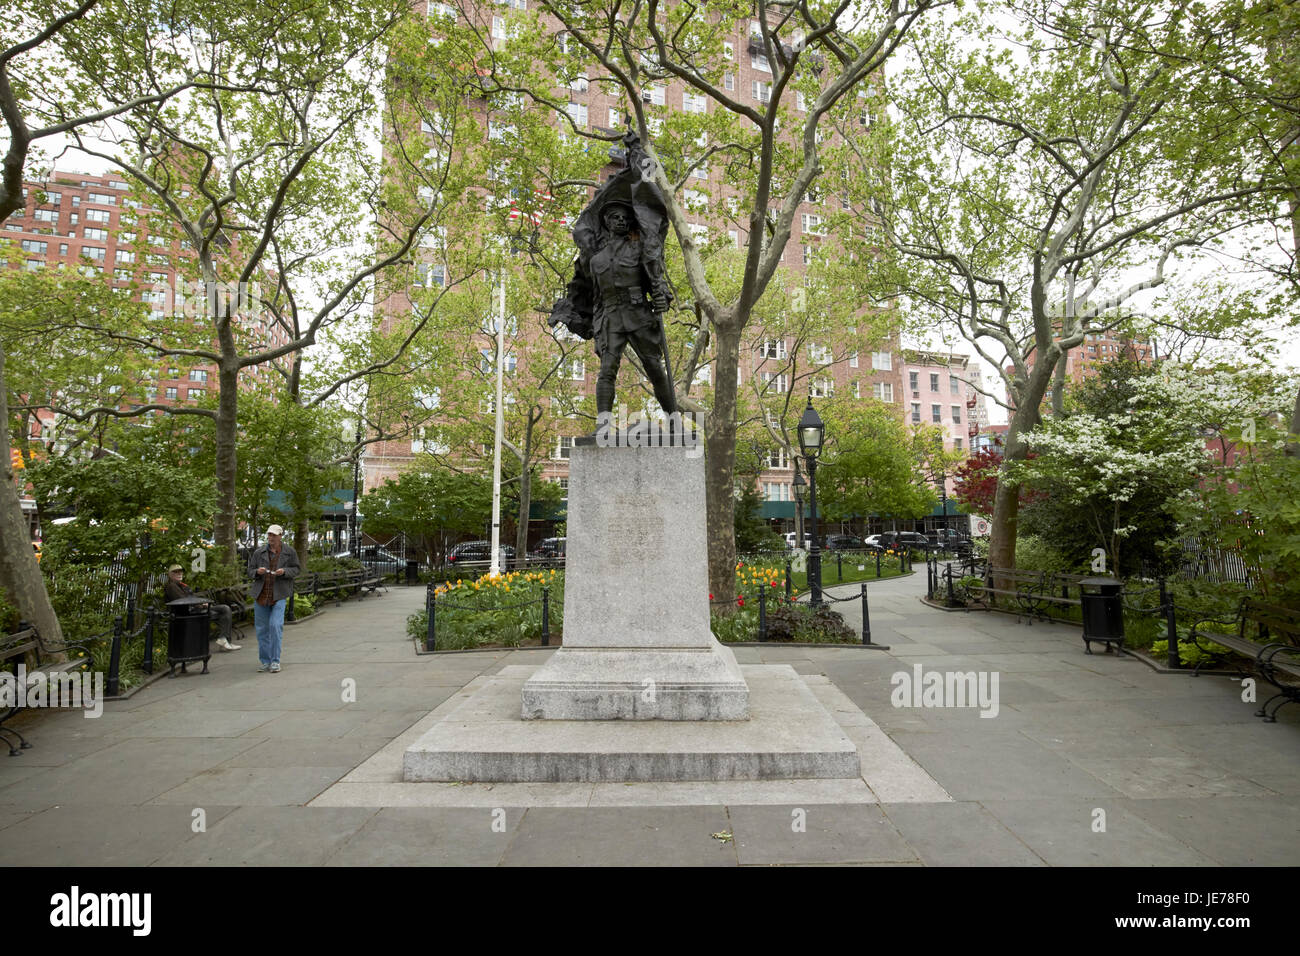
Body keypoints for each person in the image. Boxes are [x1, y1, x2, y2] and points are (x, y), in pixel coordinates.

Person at [247, 524, 300, 673]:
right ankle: (265, 661)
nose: (271, 538)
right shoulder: (259, 552)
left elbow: (296, 569)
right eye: (269, 535)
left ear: (280, 536)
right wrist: (257, 572)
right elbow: (249, 571)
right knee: (262, 630)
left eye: (274, 535)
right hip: (261, 596)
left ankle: (275, 661)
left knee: (275, 626)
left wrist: (284, 572)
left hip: (279, 595)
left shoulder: (289, 552)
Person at [163, 563, 241, 651]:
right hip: (187, 613)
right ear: (170, 575)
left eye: (180, 572)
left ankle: (225, 640)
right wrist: (201, 605)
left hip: (196, 608)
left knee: (225, 608)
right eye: (176, 572)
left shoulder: (182, 585)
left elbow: (191, 597)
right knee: (223, 612)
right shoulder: (171, 586)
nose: (179, 574)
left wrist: (202, 604)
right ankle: (225, 641)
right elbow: (183, 601)